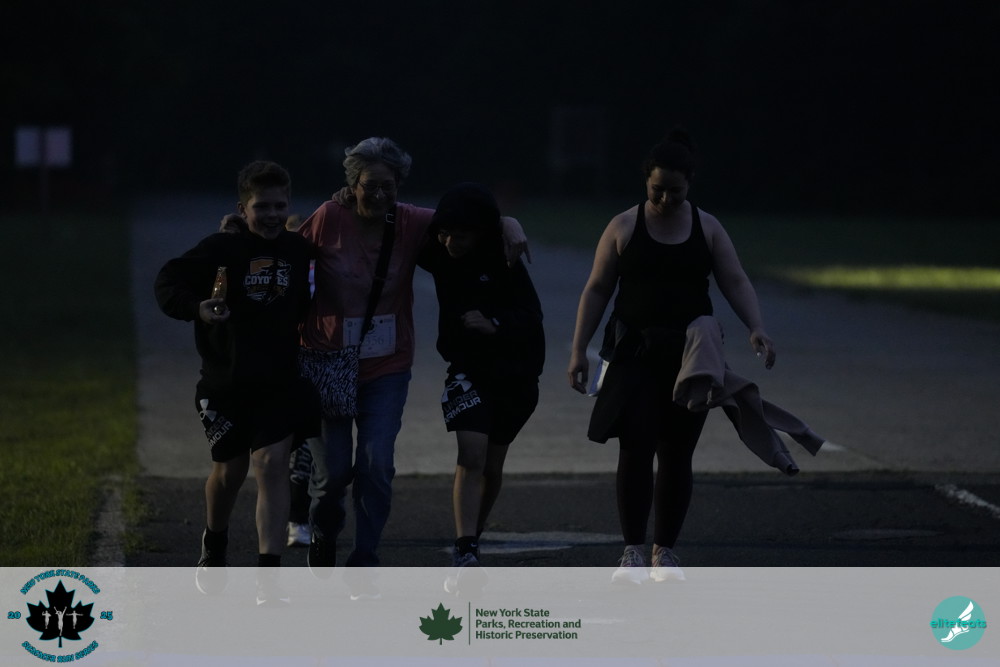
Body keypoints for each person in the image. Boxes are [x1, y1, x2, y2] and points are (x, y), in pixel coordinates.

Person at [295, 138, 528, 593]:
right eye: (370, 185)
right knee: (333, 473)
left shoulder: (412, 221)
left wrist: (507, 221)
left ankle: (365, 559)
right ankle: (323, 527)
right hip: (329, 360)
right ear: (352, 184)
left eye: (389, 186)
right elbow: (288, 254)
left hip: (387, 363)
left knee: (376, 464)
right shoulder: (328, 217)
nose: (379, 195)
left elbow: (465, 216)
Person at [567, 129, 777, 584]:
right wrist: (578, 349)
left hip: (691, 358)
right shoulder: (623, 226)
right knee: (635, 449)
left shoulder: (708, 227)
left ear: (690, 184)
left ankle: (665, 553)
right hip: (634, 355)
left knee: (678, 452)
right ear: (646, 181)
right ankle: (632, 552)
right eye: (656, 189)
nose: (665, 199)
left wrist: (756, 326)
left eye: (675, 191)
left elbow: (735, 280)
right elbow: (597, 288)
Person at [155, 160, 319, 605]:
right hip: (224, 383)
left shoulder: (299, 250)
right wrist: (197, 307)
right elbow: (167, 282)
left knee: (271, 464)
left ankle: (269, 579)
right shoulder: (220, 249)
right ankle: (215, 542)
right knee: (230, 472)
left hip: (279, 383)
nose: (271, 214)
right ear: (242, 208)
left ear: (289, 205)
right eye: (261, 206)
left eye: (279, 205)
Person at [419, 183, 544, 594]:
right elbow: (393, 221)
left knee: (491, 466)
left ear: (482, 233)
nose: (450, 243)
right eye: (444, 233)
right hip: (467, 370)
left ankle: (472, 537)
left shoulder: (505, 259)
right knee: (471, 455)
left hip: (516, 375)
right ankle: (465, 549)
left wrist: (496, 325)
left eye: (461, 235)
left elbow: (533, 318)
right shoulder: (438, 252)